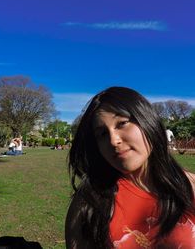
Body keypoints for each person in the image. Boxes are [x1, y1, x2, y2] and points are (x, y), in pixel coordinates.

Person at [65, 87, 195, 249]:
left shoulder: (191, 187)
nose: (113, 140)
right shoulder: (90, 201)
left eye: (122, 123)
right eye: (102, 134)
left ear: (147, 121)